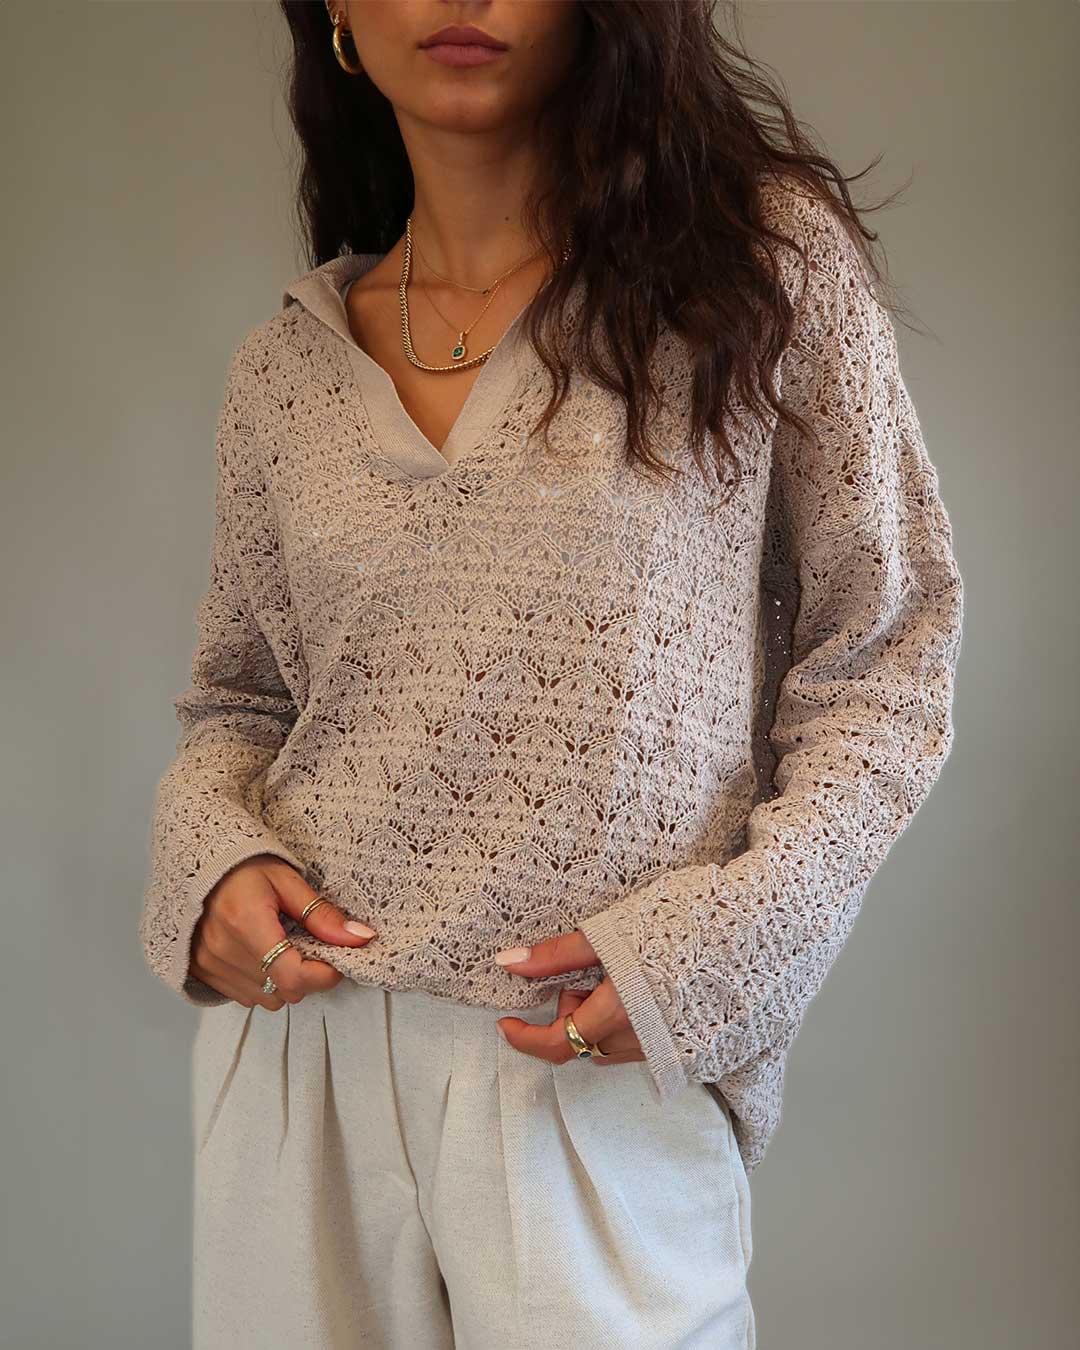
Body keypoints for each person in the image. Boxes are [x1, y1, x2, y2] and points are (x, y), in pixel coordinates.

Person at [138, 3, 964, 1347]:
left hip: (587, 1068)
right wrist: (209, 865)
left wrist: (723, 950)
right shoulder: (283, 371)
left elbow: (888, 659)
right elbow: (238, 706)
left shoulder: (755, 275)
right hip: (303, 1075)